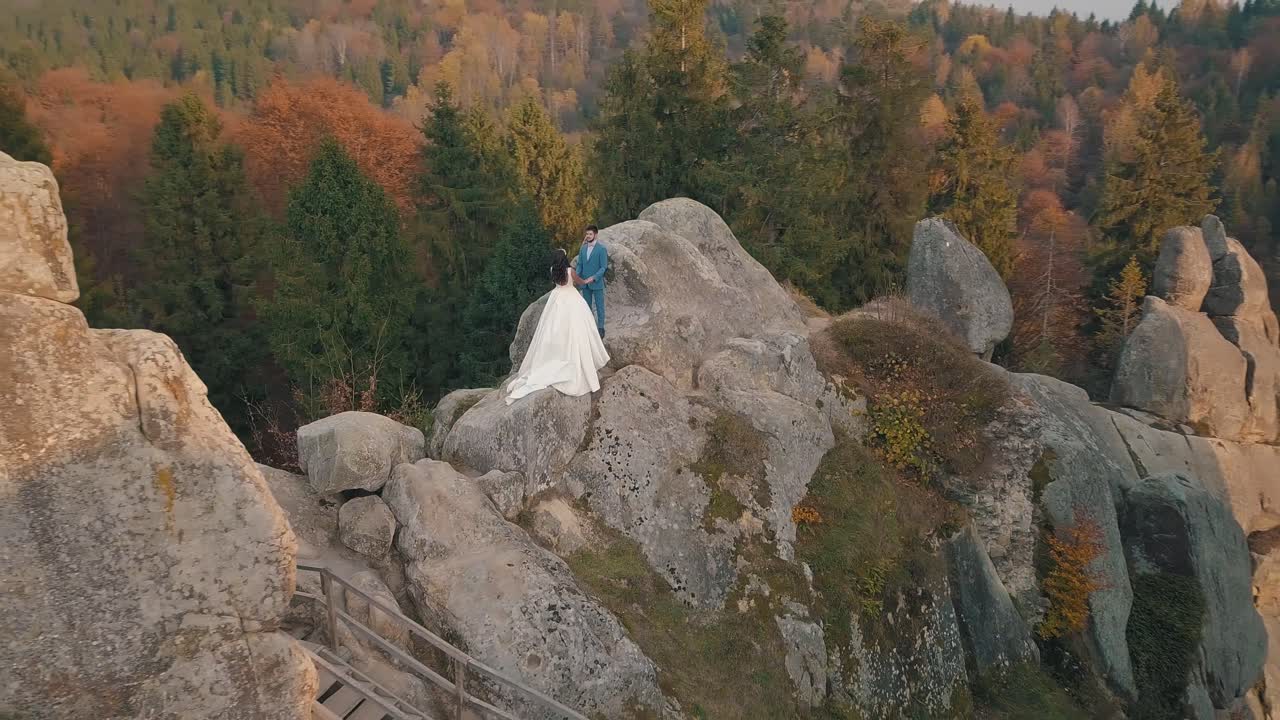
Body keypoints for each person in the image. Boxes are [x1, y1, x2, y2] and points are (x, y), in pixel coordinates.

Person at [505, 249, 610, 404]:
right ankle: (578, 359)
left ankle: (556, 355)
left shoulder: (553, 270)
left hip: (557, 299)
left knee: (553, 328)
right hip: (571, 299)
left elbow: (557, 284)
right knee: (577, 329)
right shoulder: (570, 271)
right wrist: (588, 280)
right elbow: (579, 282)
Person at [575, 225, 607, 338]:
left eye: (590, 234)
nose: (588, 236)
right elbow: (580, 265)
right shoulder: (582, 248)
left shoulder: (602, 249)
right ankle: (589, 326)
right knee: (586, 307)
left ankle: (601, 327)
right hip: (584, 283)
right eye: (587, 234)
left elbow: (603, 267)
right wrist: (576, 277)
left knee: (599, 306)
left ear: (596, 235)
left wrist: (594, 278)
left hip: (596, 283)